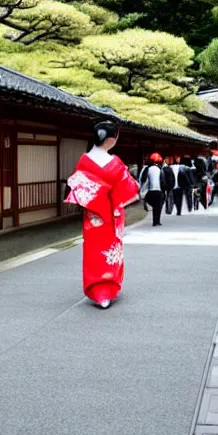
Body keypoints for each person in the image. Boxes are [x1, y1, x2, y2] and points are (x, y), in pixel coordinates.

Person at [64, 120, 140, 309]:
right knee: (112, 251)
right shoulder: (115, 163)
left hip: (93, 216)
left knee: (93, 251)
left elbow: (76, 184)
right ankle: (108, 289)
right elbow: (130, 188)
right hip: (112, 215)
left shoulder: (83, 161)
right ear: (112, 139)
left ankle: (96, 290)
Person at [141, 152, 165, 226]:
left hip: (151, 190)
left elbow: (144, 180)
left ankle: (155, 221)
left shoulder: (147, 169)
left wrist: (142, 190)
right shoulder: (160, 169)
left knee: (154, 205)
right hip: (159, 190)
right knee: (158, 206)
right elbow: (163, 180)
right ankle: (157, 220)